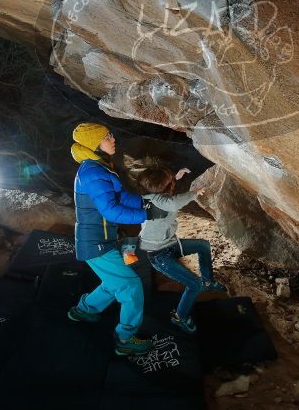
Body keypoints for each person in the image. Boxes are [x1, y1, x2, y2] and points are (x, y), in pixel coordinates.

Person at [67, 123, 165, 356]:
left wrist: (144, 203)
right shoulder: (93, 172)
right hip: (95, 242)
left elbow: (120, 196)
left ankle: (84, 310)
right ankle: (125, 338)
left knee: (114, 282)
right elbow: (110, 211)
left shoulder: (99, 168)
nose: (113, 140)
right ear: (95, 144)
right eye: (107, 137)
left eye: (111, 135)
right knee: (131, 287)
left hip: (101, 239)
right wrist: (147, 214)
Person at [125, 156, 227, 334]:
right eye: (168, 180)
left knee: (203, 246)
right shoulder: (159, 202)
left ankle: (209, 281)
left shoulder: (151, 194)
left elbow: (165, 193)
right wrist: (194, 192)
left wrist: (176, 177)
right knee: (194, 285)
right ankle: (180, 316)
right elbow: (173, 202)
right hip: (159, 255)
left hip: (169, 243)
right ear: (161, 187)